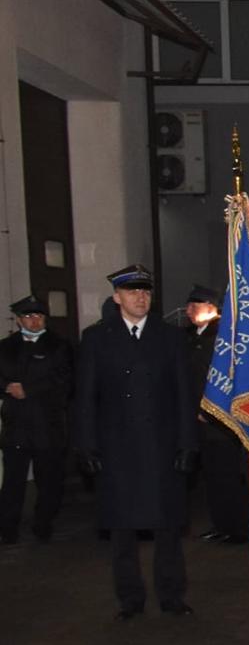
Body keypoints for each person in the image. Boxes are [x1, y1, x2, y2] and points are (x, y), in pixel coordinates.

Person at [73, 265, 197, 621]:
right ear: (117, 297)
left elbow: (183, 396)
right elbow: (86, 398)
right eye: (132, 292)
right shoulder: (97, 338)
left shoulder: (170, 337)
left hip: (161, 448)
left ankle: (171, 595)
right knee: (122, 531)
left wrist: (188, 444)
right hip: (117, 450)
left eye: (145, 292)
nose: (140, 298)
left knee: (168, 529)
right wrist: (87, 446)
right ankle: (130, 598)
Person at [1, 295, 72, 544]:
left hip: (47, 424)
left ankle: (43, 522)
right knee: (13, 480)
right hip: (17, 425)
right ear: (19, 320)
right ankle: (8, 527)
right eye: (29, 316)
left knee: (49, 479)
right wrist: (8, 386)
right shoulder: (6, 346)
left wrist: (29, 389)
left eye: (39, 316)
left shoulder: (58, 346)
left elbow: (64, 380)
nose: (34, 321)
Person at [181, 284, 246, 545]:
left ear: (211, 307)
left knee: (227, 476)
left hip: (219, 422)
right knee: (212, 477)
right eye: (188, 306)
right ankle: (221, 524)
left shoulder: (222, 336)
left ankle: (237, 527)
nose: (189, 311)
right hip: (197, 420)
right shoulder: (190, 336)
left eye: (195, 306)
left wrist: (211, 410)